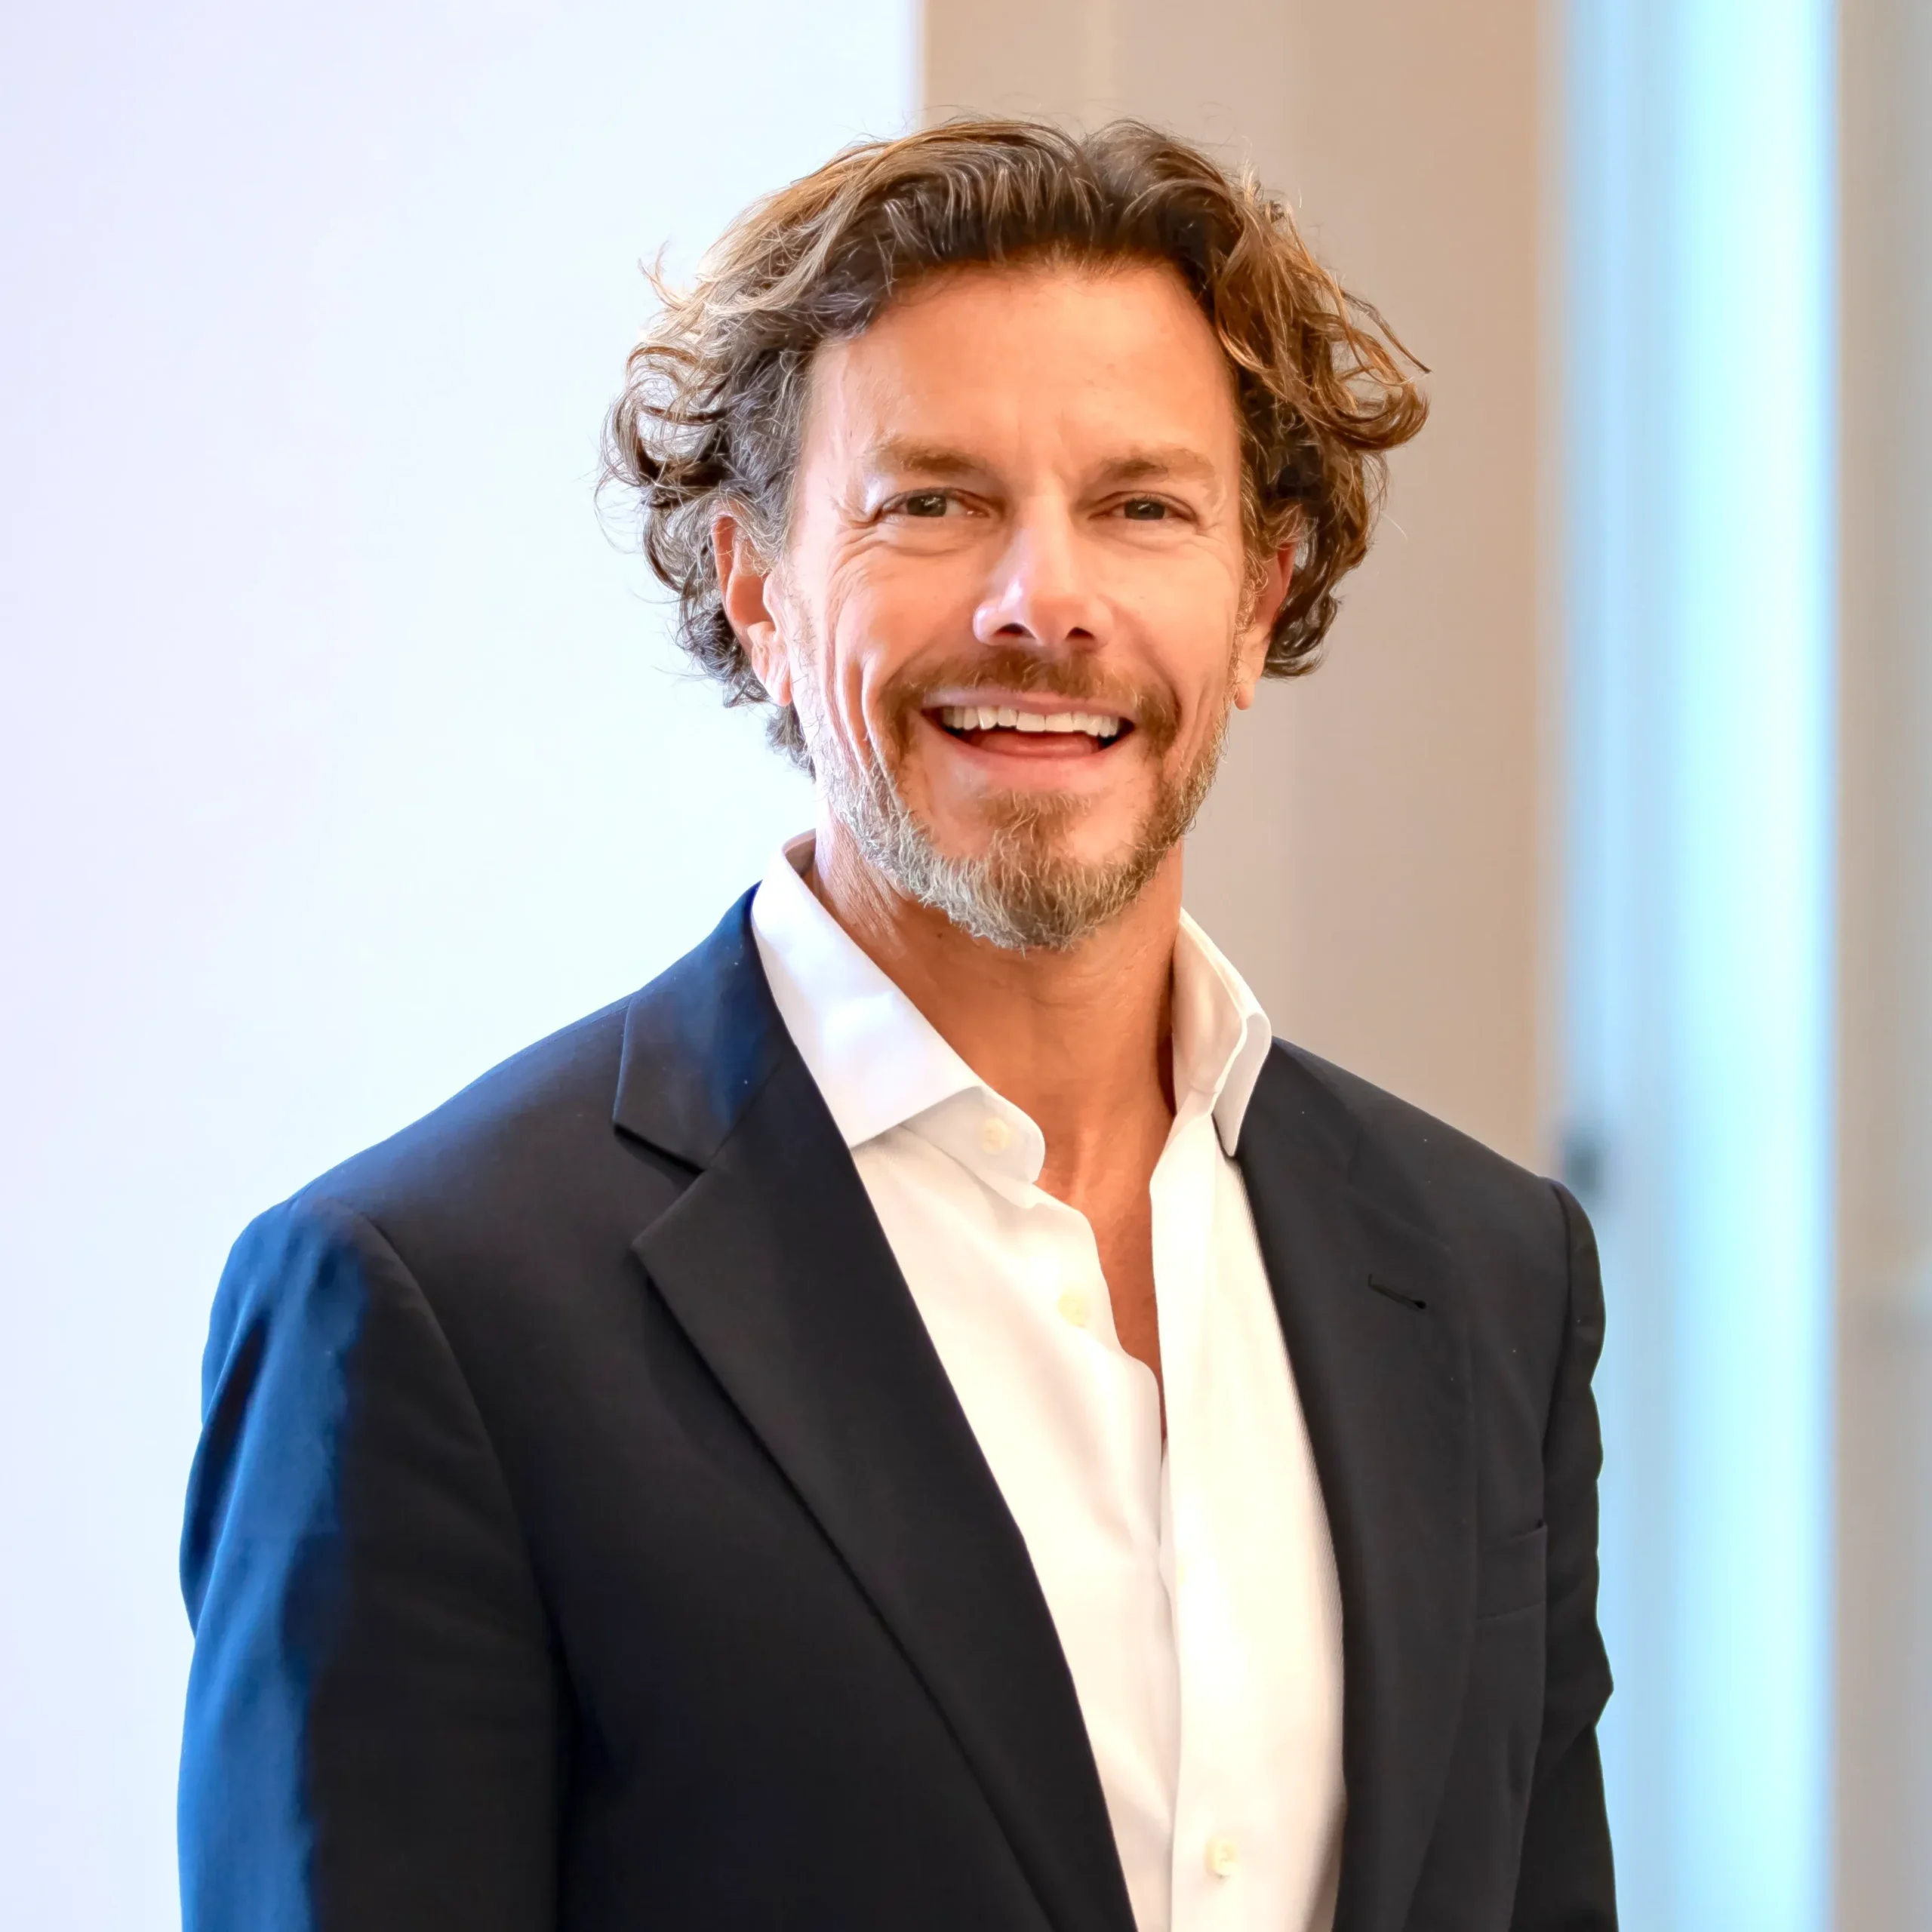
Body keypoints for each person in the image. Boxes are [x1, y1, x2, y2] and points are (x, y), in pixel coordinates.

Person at [177, 118, 1615, 1932]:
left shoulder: (1487, 1275)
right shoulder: (424, 1306)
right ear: (757, 589)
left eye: (1141, 505)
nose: (1044, 601)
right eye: (929, 501)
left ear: (1254, 601)